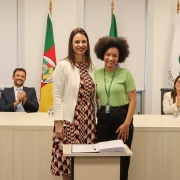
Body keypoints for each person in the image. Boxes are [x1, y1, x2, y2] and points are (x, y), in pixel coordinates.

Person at [50, 27, 96, 180]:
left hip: (88, 119)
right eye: (77, 42)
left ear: (88, 44)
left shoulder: (91, 65)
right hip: (69, 119)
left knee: (85, 160)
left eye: (84, 41)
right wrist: (58, 123)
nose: (80, 44)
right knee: (68, 161)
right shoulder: (63, 65)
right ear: (71, 44)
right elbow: (57, 96)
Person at [94, 36, 137, 180]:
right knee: (103, 157)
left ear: (120, 57)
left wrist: (126, 124)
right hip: (103, 119)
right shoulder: (96, 74)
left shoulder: (126, 74)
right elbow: (94, 97)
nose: (111, 58)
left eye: (114, 55)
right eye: (108, 55)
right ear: (102, 55)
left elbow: (133, 101)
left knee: (122, 159)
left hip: (122, 118)